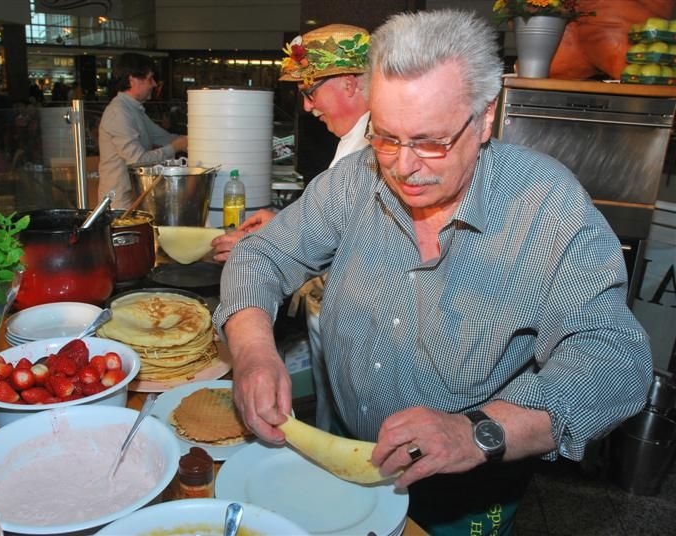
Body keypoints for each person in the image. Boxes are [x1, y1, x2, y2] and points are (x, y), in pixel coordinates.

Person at [212, 10, 652, 535]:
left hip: (467, 486)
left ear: (485, 117)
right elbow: (262, 255)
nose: (403, 166)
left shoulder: (544, 206)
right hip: (347, 459)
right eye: (386, 137)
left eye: (431, 141)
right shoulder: (354, 183)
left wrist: (478, 432)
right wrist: (254, 351)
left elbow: (615, 358)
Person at [211, 23, 371, 263]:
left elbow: (355, 249)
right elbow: (332, 228)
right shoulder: (354, 137)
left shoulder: (377, 148)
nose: (307, 106)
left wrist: (265, 246)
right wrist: (282, 223)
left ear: (349, 84)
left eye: (310, 93)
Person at [98, 53, 188, 209]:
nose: (154, 84)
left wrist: (193, 140)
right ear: (132, 79)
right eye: (150, 79)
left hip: (130, 198)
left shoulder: (133, 110)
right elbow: (137, 160)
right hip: (118, 204)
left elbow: (164, 137)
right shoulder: (119, 112)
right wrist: (176, 146)